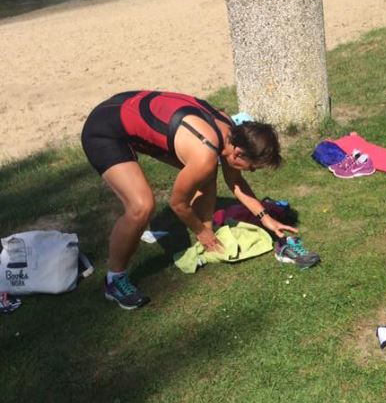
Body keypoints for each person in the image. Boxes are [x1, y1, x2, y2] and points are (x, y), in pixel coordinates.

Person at [81, 90, 297, 310]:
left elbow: (236, 183)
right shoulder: (205, 153)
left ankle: (208, 240)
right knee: (141, 206)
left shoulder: (229, 130)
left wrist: (266, 218)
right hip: (104, 130)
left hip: (125, 109)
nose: (251, 171)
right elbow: (178, 204)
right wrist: (201, 231)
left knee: (207, 174)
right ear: (238, 153)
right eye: (252, 167)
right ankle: (114, 280)